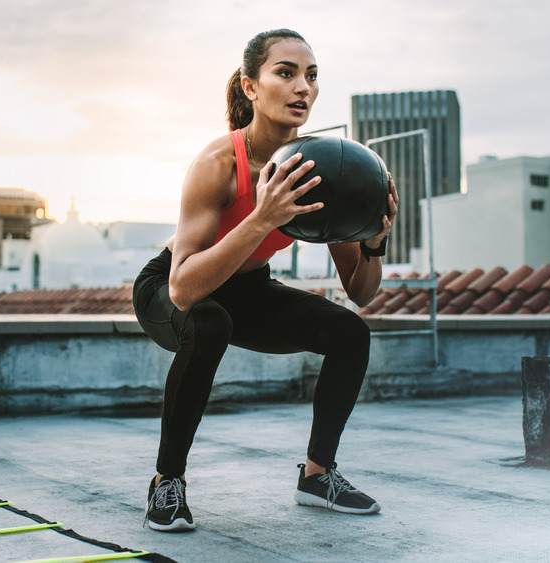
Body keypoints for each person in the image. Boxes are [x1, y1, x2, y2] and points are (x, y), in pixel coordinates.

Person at [132, 28, 398, 533]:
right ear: (251, 87)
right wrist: (261, 217)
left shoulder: (319, 168)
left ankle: (318, 476)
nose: (304, 87)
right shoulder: (218, 164)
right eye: (286, 72)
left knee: (350, 333)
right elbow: (184, 289)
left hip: (249, 288)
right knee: (207, 322)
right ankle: (168, 480)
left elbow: (361, 292)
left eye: (312, 76)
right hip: (171, 285)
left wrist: (373, 241)